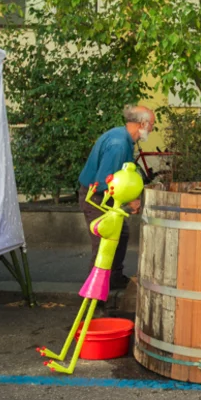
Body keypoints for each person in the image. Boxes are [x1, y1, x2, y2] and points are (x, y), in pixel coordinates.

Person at [77, 105, 155, 291]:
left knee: (121, 236)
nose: (152, 129)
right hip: (97, 199)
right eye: (152, 124)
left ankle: (114, 280)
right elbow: (104, 182)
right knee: (103, 249)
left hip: (101, 197)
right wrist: (130, 201)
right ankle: (94, 299)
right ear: (142, 124)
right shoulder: (118, 145)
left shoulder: (121, 137)